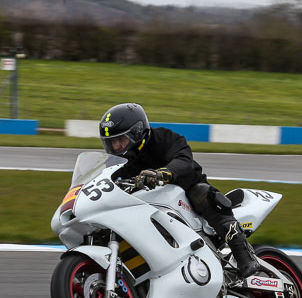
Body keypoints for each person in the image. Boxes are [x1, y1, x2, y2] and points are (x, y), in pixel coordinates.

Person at [99, 102, 260, 277]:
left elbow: (184, 160)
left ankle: (243, 255)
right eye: (111, 142)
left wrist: (163, 173)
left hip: (186, 191)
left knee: (202, 194)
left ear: (137, 133)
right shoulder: (116, 161)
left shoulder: (163, 138)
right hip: (146, 202)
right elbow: (107, 179)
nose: (116, 147)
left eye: (120, 141)